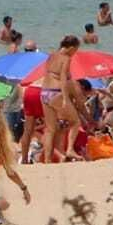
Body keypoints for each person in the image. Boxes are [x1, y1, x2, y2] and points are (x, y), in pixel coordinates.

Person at [40, 35, 89, 163]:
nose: (74, 53)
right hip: (56, 92)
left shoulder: (51, 55)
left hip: (44, 92)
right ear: (71, 48)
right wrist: (66, 98)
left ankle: (47, 160)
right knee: (75, 122)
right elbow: (63, 77)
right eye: (75, 50)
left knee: (50, 129)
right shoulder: (66, 58)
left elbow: (48, 73)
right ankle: (70, 149)